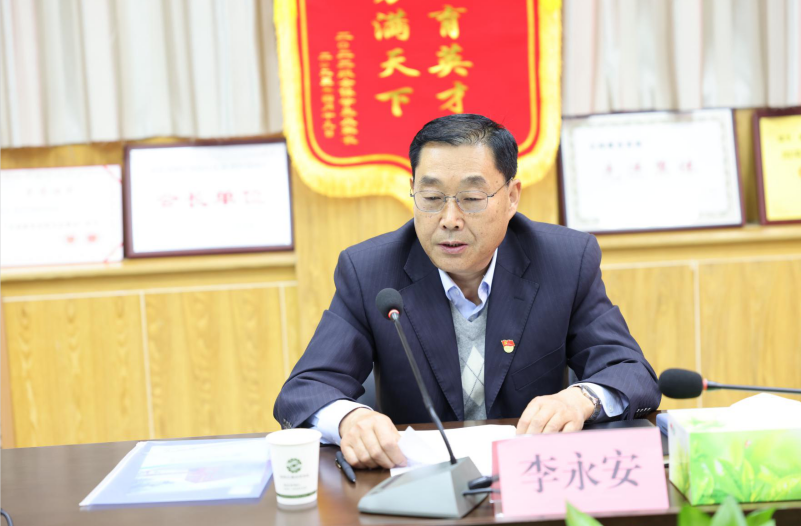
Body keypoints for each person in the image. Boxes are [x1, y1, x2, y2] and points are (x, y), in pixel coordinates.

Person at [274, 114, 660, 470]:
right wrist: (349, 418)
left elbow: (631, 373)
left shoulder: (564, 262)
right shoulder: (371, 272)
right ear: (412, 192)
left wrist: (580, 399)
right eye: (431, 198)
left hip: (532, 478)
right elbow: (305, 390)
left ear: (511, 197)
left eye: (471, 199)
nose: (449, 219)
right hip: (419, 488)